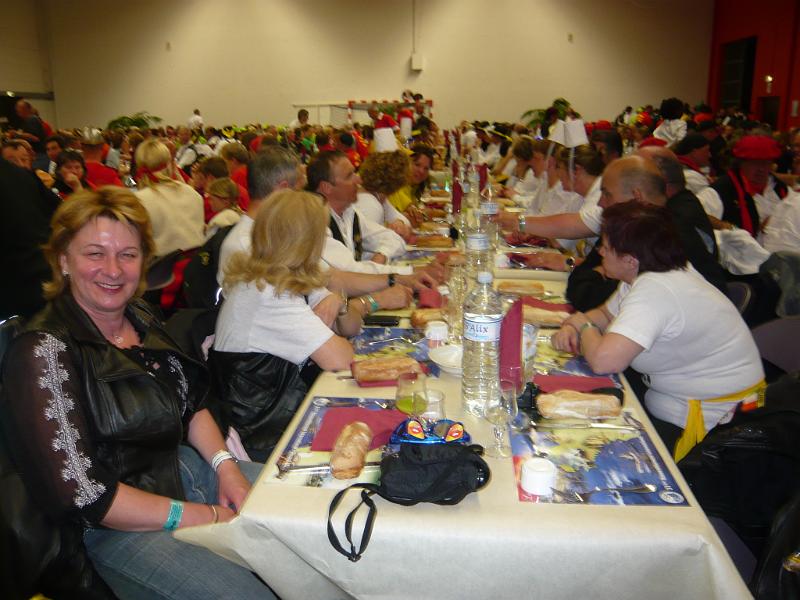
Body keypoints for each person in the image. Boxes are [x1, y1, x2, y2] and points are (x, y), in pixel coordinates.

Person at [0, 187, 274, 598]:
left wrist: (226, 467)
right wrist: (202, 515)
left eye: (127, 254)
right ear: (64, 260)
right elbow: (86, 496)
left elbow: (189, 401)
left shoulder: (139, 314)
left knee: (305, 521)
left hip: (186, 473)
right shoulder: (44, 350)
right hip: (111, 530)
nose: (113, 270)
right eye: (95, 253)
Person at [551, 201, 764, 461]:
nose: (600, 252)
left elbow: (603, 361)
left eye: (605, 247)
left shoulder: (656, 290)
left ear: (630, 260)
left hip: (713, 426)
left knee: (579, 447)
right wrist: (577, 322)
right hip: (679, 402)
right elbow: (606, 315)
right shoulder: (651, 272)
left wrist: (582, 325)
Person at [213, 190, 364, 459]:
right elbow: (343, 359)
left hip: (279, 418)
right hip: (265, 439)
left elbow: (352, 327)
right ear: (307, 243)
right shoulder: (267, 295)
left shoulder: (275, 276)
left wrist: (339, 302)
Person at [307, 150, 412, 275]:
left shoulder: (349, 212)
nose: (359, 180)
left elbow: (394, 238)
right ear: (327, 187)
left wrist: (381, 255)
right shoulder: (314, 221)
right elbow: (351, 272)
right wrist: (410, 272)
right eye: (349, 176)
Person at [0, 155, 61, 319]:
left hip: (14, 297)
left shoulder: (22, 175)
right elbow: (63, 213)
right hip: (45, 284)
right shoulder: (22, 175)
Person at [134, 139, 205, 256]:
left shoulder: (139, 200)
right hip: (197, 262)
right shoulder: (192, 193)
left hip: (160, 264)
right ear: (169, 163)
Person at [356, 150, 412, 240]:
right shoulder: (371, 204)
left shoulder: (377, 197)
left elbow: (405, 221)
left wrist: (399, 222)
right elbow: (370, 243)